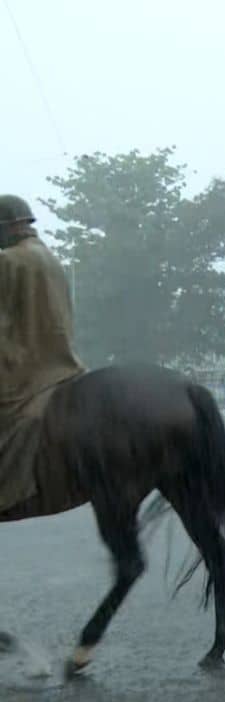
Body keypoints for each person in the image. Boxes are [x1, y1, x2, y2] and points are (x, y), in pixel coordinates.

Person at [0, 194, 85, 512]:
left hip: (25, 365)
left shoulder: (8, 261)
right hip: (60, 362)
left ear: (9, 226)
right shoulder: (48, 257)